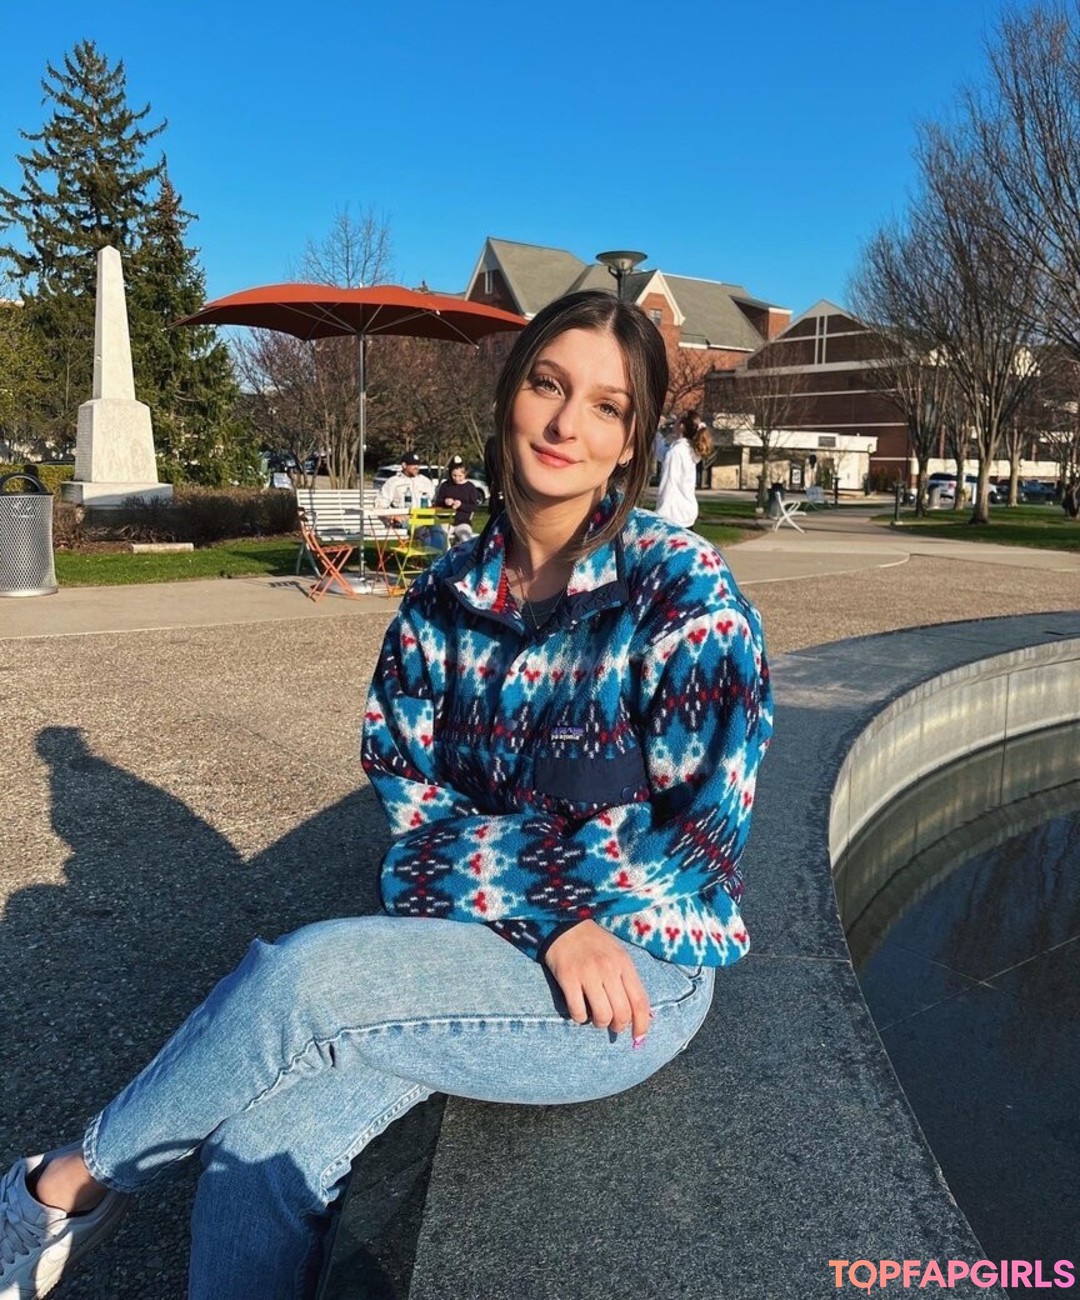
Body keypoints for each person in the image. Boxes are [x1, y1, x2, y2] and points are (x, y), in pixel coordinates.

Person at [0, 290, 773, 1300]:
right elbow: (413, 815)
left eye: (606, 406)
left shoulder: (680, 591)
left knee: (301, 977)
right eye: (548, 384)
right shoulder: (440, 601)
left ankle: (66, 1187)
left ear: (631, 443)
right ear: (510, 394)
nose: (564, 424)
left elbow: (703, 834)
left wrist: (554, 907)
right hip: (491, 938)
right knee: (255, 1149)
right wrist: (546, 912)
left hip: (639, 964)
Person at [374, 451, 444, 551]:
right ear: (404, 465)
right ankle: (437, 556)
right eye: (413, 464)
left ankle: (439, 555)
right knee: (426, 534)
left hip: (426, 517)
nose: (417, 467)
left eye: (418, 464)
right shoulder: (393, 482)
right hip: (404, 521)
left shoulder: (425, 481)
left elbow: (434, 501)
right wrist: (393, 516)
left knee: (438, 528)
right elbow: (380, 504)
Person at [654, 409, 712, 527]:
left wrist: (659, 515)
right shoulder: (687, 449)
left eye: (678, 419)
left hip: (673, 516)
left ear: (681, 426)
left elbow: (668, 485)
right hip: (685, 513)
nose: (674, 421)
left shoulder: (676, 452)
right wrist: (656, 432)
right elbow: (661, 453)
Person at [433, 454, 484, 544]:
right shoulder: (445, 485)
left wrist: (461, 505)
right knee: (441, 538)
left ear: (465, 474)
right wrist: (445, 502)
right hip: (446, 521)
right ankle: (447, 551)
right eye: (454, 475)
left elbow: (474, 507)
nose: (457, 478)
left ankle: (465, 552)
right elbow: (437, 502)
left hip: (463, 522)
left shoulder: (470, 487)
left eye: (460, 476)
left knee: (465, 538)